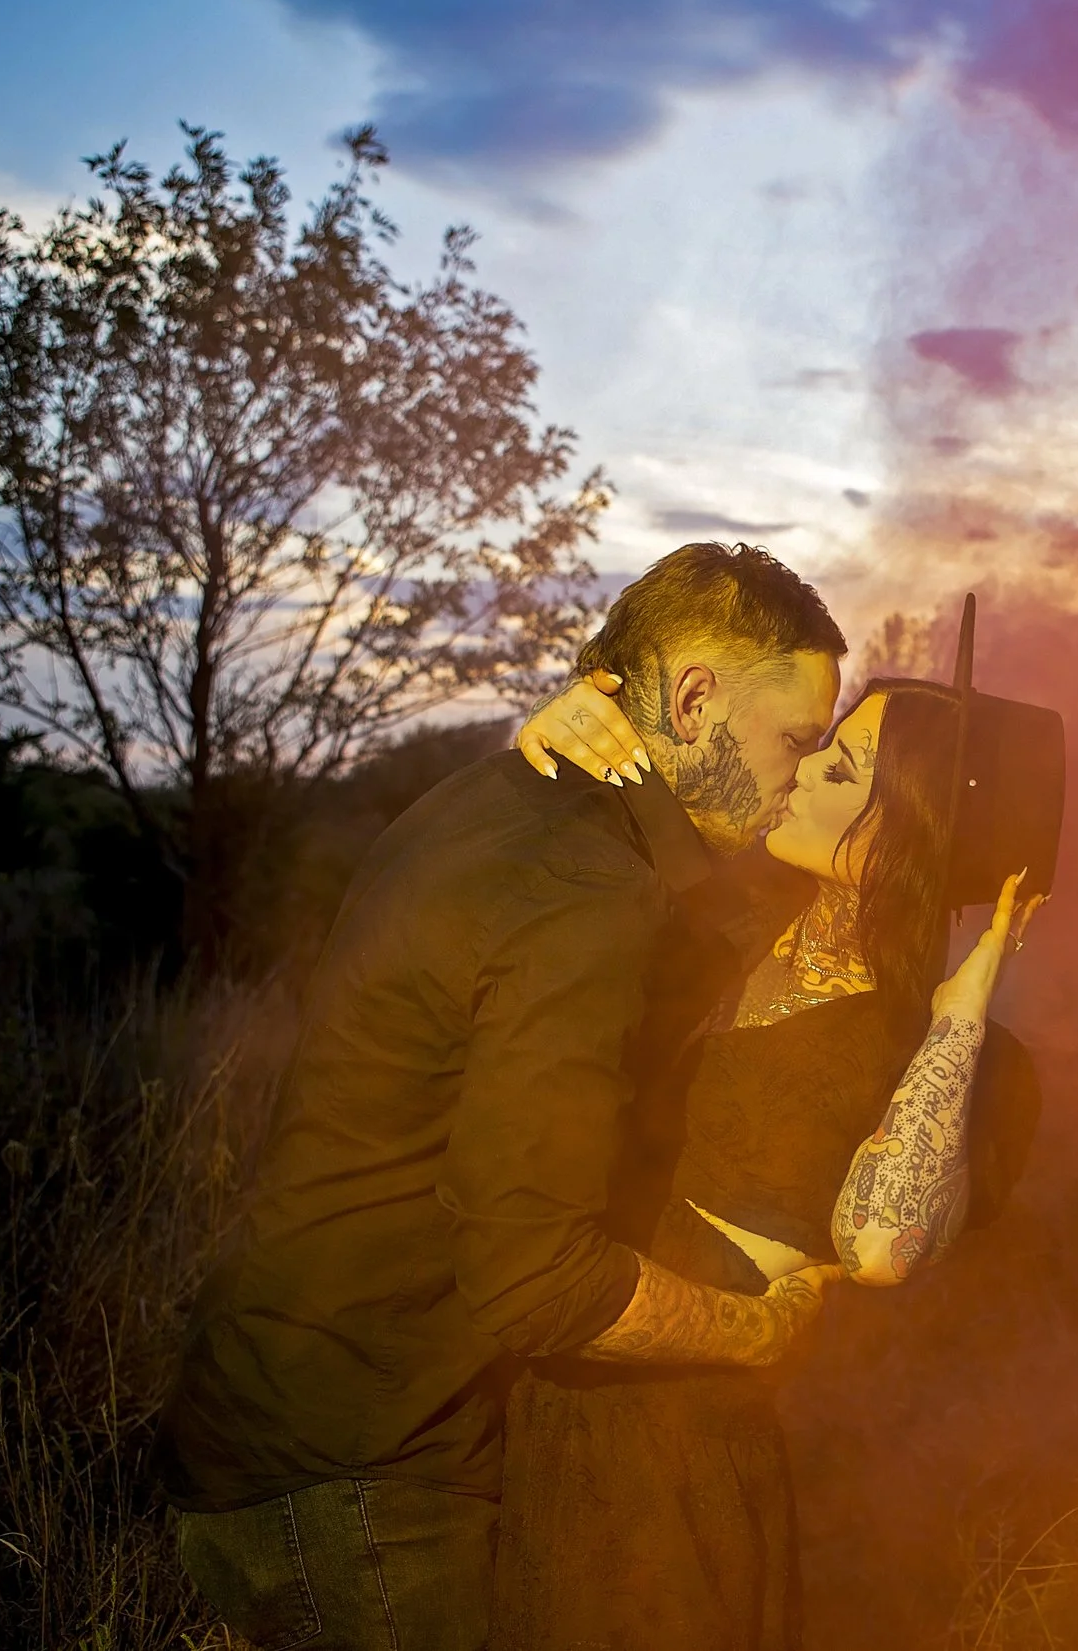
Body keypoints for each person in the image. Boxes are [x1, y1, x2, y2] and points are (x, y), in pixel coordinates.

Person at [155, 543, 852, 1651]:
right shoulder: (580, 885)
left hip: (289, 1422)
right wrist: (755, 1330)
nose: (797, 774)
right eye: (794, 741)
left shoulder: (517, 801)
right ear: (692, 696)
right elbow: (537, 1280)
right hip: (355, 1469)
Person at [491, 662, 1055, 1649]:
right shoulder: (730, 923)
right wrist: (557, 738)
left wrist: (960, 1012)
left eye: (842, 768)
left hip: (682, 1447)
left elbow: (882, 1247)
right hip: (551, 1391)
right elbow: (556, 892)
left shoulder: (955, 1059)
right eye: (823, 744)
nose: (803, 770)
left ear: (911, 826)